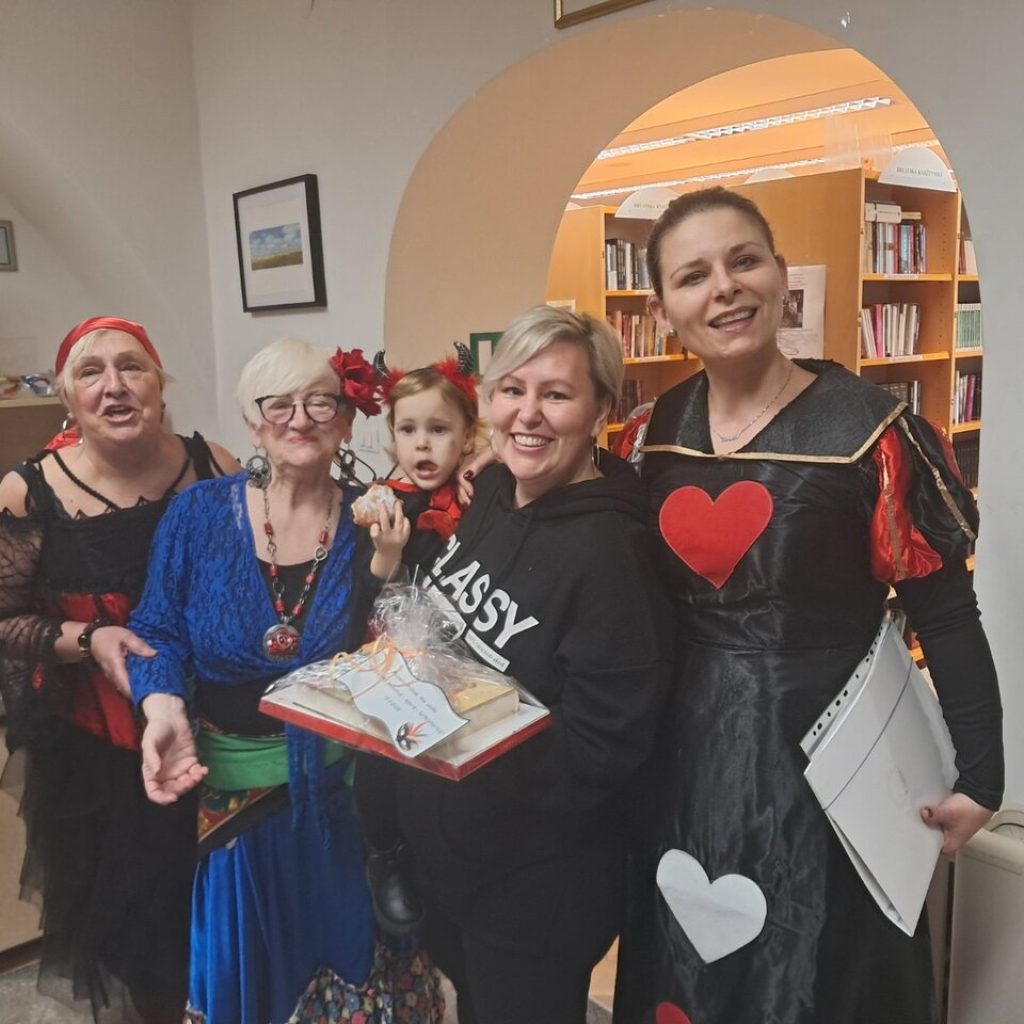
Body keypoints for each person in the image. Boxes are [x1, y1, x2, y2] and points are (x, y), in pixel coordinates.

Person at [612, 187, 1004, 1024]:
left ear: (781, 274)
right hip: (683, 763)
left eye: (744, 260)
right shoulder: (655, 431)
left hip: (832, 769)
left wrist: (982, 772)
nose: (725, 287)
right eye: (693, 275)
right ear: (663, 310)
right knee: (692, 970)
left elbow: (945, 614)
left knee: (821, 979)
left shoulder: (871, 432)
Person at [126, 338, 442, 1024]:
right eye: (278, 404)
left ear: (346, 420)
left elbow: (407, 637)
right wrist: (161, 706)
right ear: (252, 422)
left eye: (320, 402)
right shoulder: (198, 515)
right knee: (253, 976)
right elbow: (156, 629)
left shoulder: (379, 520)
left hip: (348, 800)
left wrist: (468, 475)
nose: (299, 419)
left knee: (357, 965)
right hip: (235, 801)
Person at [391, 305, 672, 1024]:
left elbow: (604, 745)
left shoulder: (613, 553)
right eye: (512, 390)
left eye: (557, 394)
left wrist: (464, 743)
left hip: (533, 887)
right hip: (457, 861)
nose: (528, 414)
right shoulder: (491, 490)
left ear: (600, 409)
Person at [0, 316, 238, 1024]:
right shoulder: (27, 492)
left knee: (225, 913)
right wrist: (89, 637)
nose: (114, 386)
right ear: (66, 399)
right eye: (90, 372)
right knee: (143, 934)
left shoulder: (214, 465)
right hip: (100, 756)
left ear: (161, 385)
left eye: (132, 366)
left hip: (222, 735)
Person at [354, 347, 480, 936]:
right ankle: (384, 852)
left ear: (467, 436)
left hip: (465, 654)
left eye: (439, 430)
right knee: (382, 755)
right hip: (396, 648)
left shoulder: (480, 492)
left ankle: (443, 854)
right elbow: (366, 593)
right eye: (408, 430)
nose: (422, 445)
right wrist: (387, 551)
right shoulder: (384, 500)